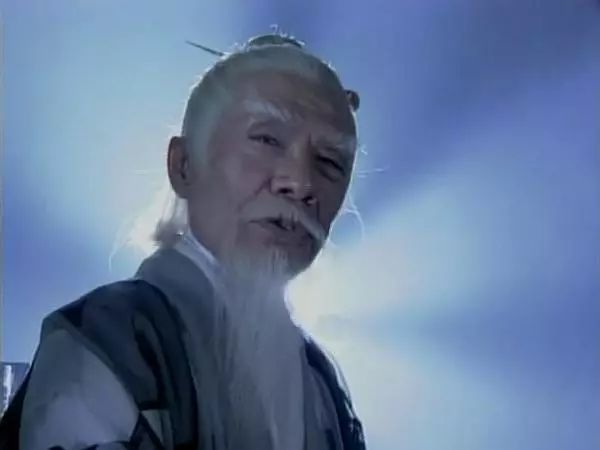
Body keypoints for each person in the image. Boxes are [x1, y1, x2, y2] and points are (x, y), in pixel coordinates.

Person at [0, 33, 366, 450]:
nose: (300, 183)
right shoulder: (109, 342)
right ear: (184, 165)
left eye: (330, 162)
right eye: (267, 140)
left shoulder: (320, 384)